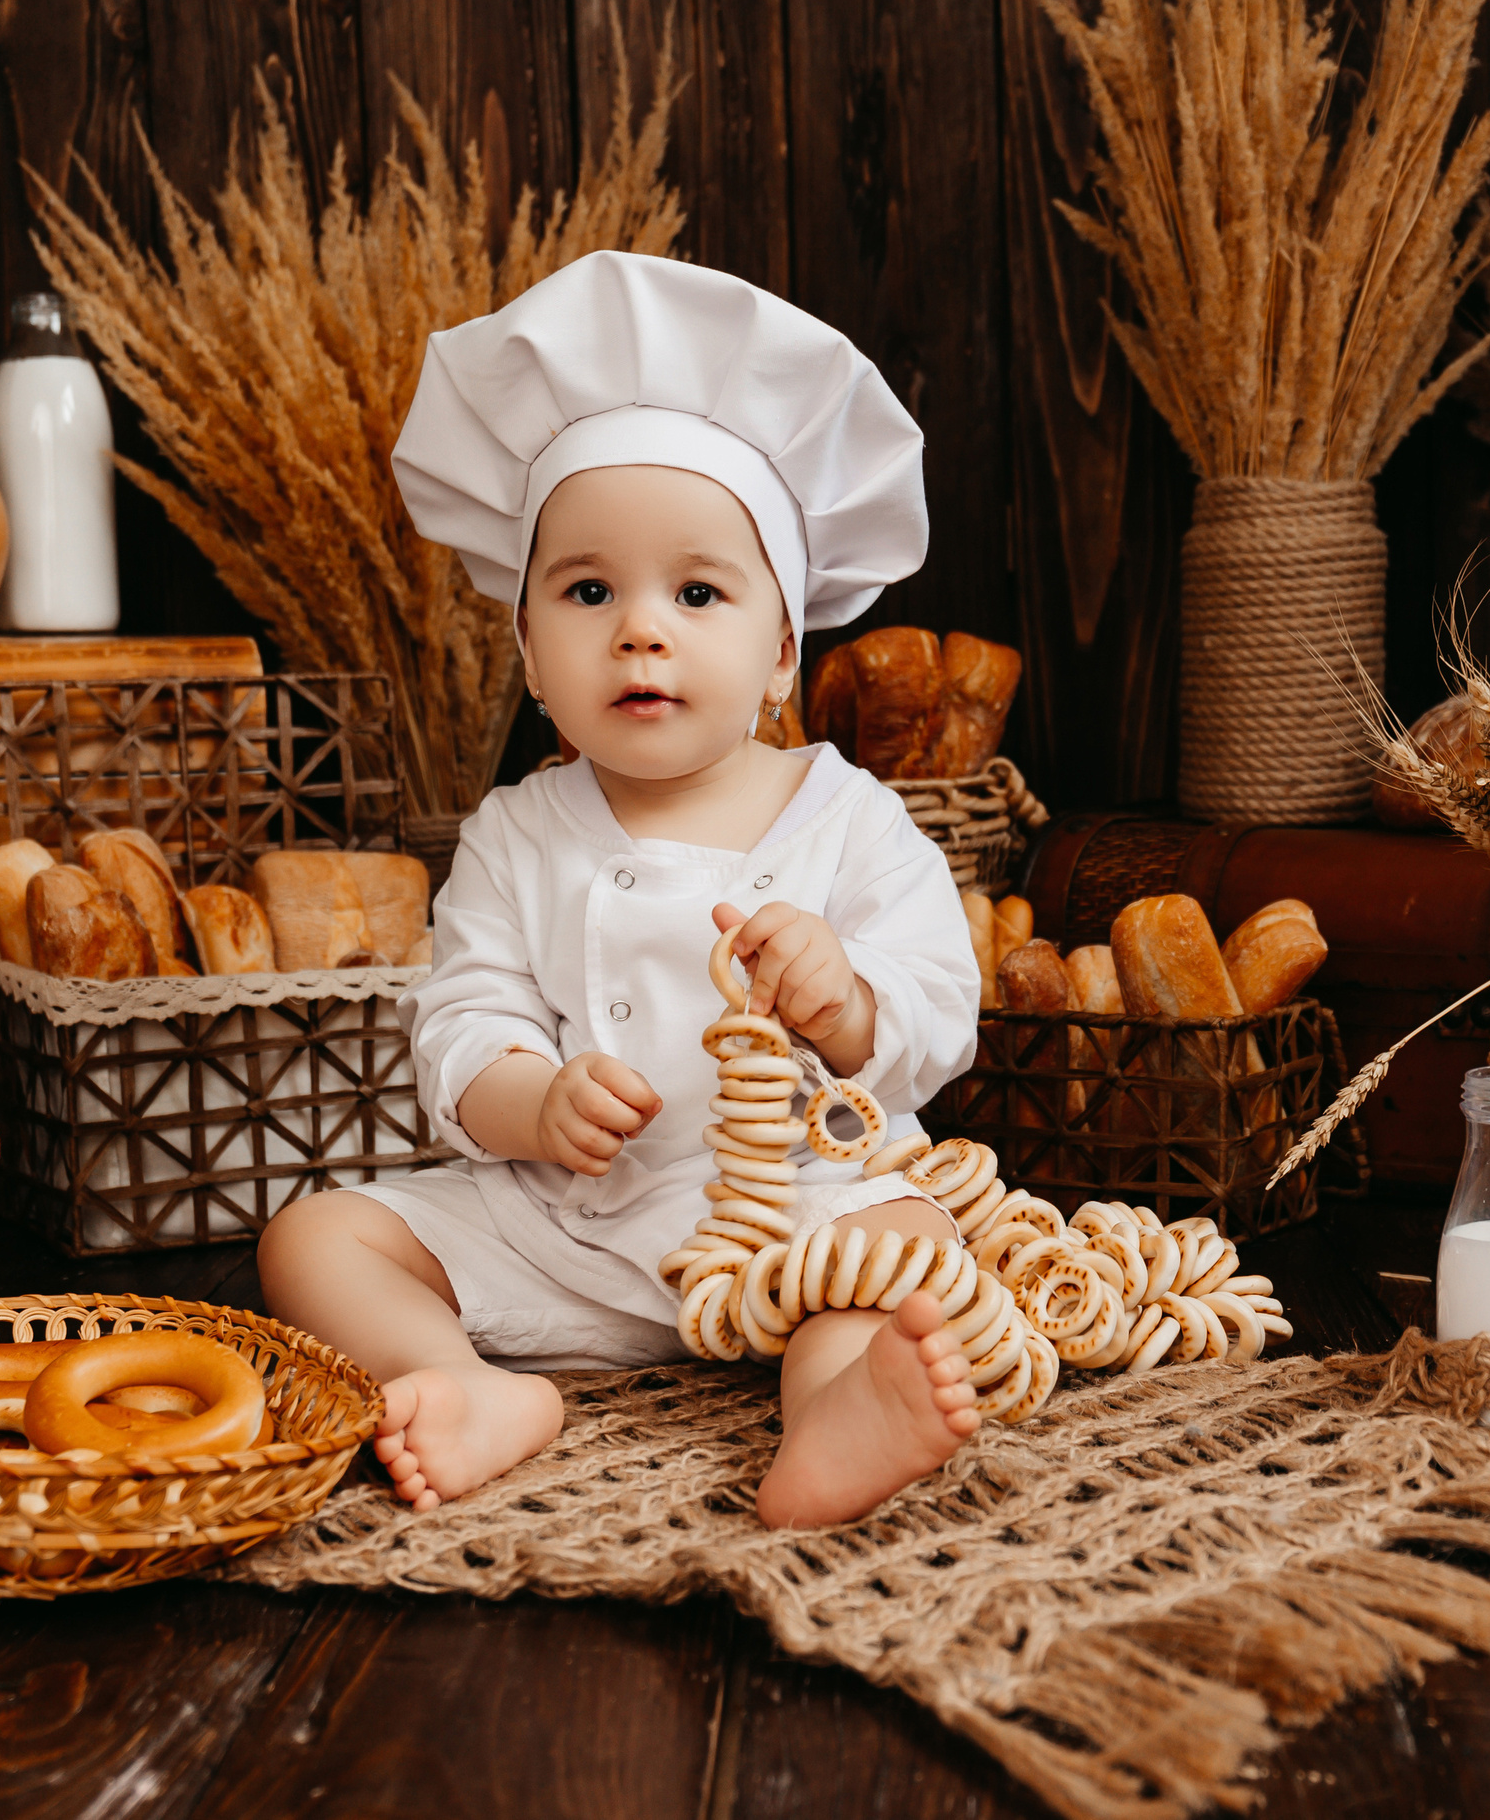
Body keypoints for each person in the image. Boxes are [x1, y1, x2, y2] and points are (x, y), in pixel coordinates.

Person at [257, 252, 984, 1528]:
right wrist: (532, 1101)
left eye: (696, 590)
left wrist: (852, 1001)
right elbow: (462, 1015)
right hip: (572, 1224)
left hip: (801, 1215)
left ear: (779, 647)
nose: (640, 628)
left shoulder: (852, 817)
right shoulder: (519, 830)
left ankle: (831, 1412)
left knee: (912, 1242)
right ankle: (466, 1384)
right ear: (531, 650)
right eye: (588, 590)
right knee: (312, 1236)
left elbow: (940, 1004)